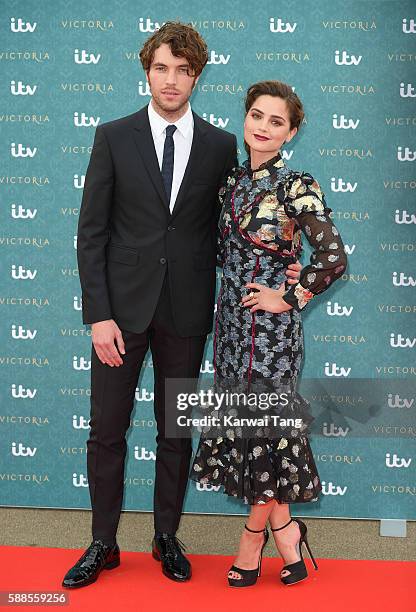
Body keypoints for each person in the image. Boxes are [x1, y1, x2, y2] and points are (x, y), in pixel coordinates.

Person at [62, 24, 302, 589]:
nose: (172, 80)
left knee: (175, 432)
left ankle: (166, 536)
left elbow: (246, 224)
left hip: (188, 313)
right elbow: (90, 232)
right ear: (147, 70)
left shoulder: (222, 145)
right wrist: (98, 314)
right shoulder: (113, 136)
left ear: (197, 76)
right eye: (162, 68)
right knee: (107, 431)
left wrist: (286, 268)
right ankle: (102, 543)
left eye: (184, 70)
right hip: (119, 315)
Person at [190, 80, 348, 587]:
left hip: (274, 335)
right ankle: (287, 528)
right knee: (249, 427)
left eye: (276, 121)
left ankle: (253, 538)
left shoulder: (296, 184)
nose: (262, 126)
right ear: (245, 119)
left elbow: (333, 259)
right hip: (232, 328)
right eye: (256, 115)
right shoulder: (232, 183)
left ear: (291, 132)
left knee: (266, 431)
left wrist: (292, 296)